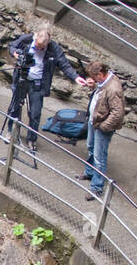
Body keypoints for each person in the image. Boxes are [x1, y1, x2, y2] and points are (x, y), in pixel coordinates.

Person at [7, 23, 91, 154]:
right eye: (37, 45)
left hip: (37, 85)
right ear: (35, 38)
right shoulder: (27, 39)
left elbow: (64, 64)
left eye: (42, 47)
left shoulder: (54, 48)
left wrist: (75, 77)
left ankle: (31, 139)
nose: (38, 48)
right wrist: (16, 54)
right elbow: (12, 46)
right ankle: (12, 132)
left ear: (47, 43)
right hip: (21, 80)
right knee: (15, 108)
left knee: (35, 114)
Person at [82, 60, 125, 199]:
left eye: (94, 78)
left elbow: (117, 113)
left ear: (100, 74)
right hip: (94, 121)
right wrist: (93, 85)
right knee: (91, 147)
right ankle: (89, 172)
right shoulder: (103, 82)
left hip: (101, 126)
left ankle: (97, 187)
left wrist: (103, 127)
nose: (94, 80)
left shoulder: (113, 89)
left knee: (99, 156)